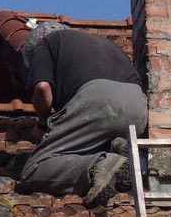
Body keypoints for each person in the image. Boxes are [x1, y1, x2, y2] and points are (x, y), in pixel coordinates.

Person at [17, 21, 147, 207]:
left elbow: (42, 88)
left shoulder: (45, 42)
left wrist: (42, 124)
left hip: (98, 101)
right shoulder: (108, 45)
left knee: (33, 170)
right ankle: (116, 145)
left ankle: (101, 163)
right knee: (88, 139)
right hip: (138, 107)